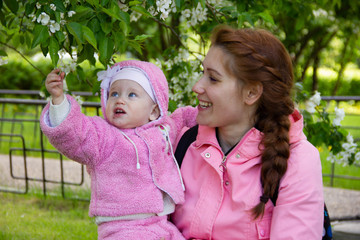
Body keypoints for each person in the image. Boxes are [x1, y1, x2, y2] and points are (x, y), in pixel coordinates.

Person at [171, 26, 324, 239]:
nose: (197, 86)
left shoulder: (297, 161)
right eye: (202, 72)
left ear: (251, 92)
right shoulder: (182, 142)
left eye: (213, 78)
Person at [40, 60, 198, 240]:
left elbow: (184, 116)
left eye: (132, 95)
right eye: (113, 93)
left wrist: (210, 112)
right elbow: (75, 134)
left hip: (161, 223)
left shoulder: (163, 130)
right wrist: (59, 101)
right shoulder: (103, 136)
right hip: (121, 228)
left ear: (154, 111)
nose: (120, 99)